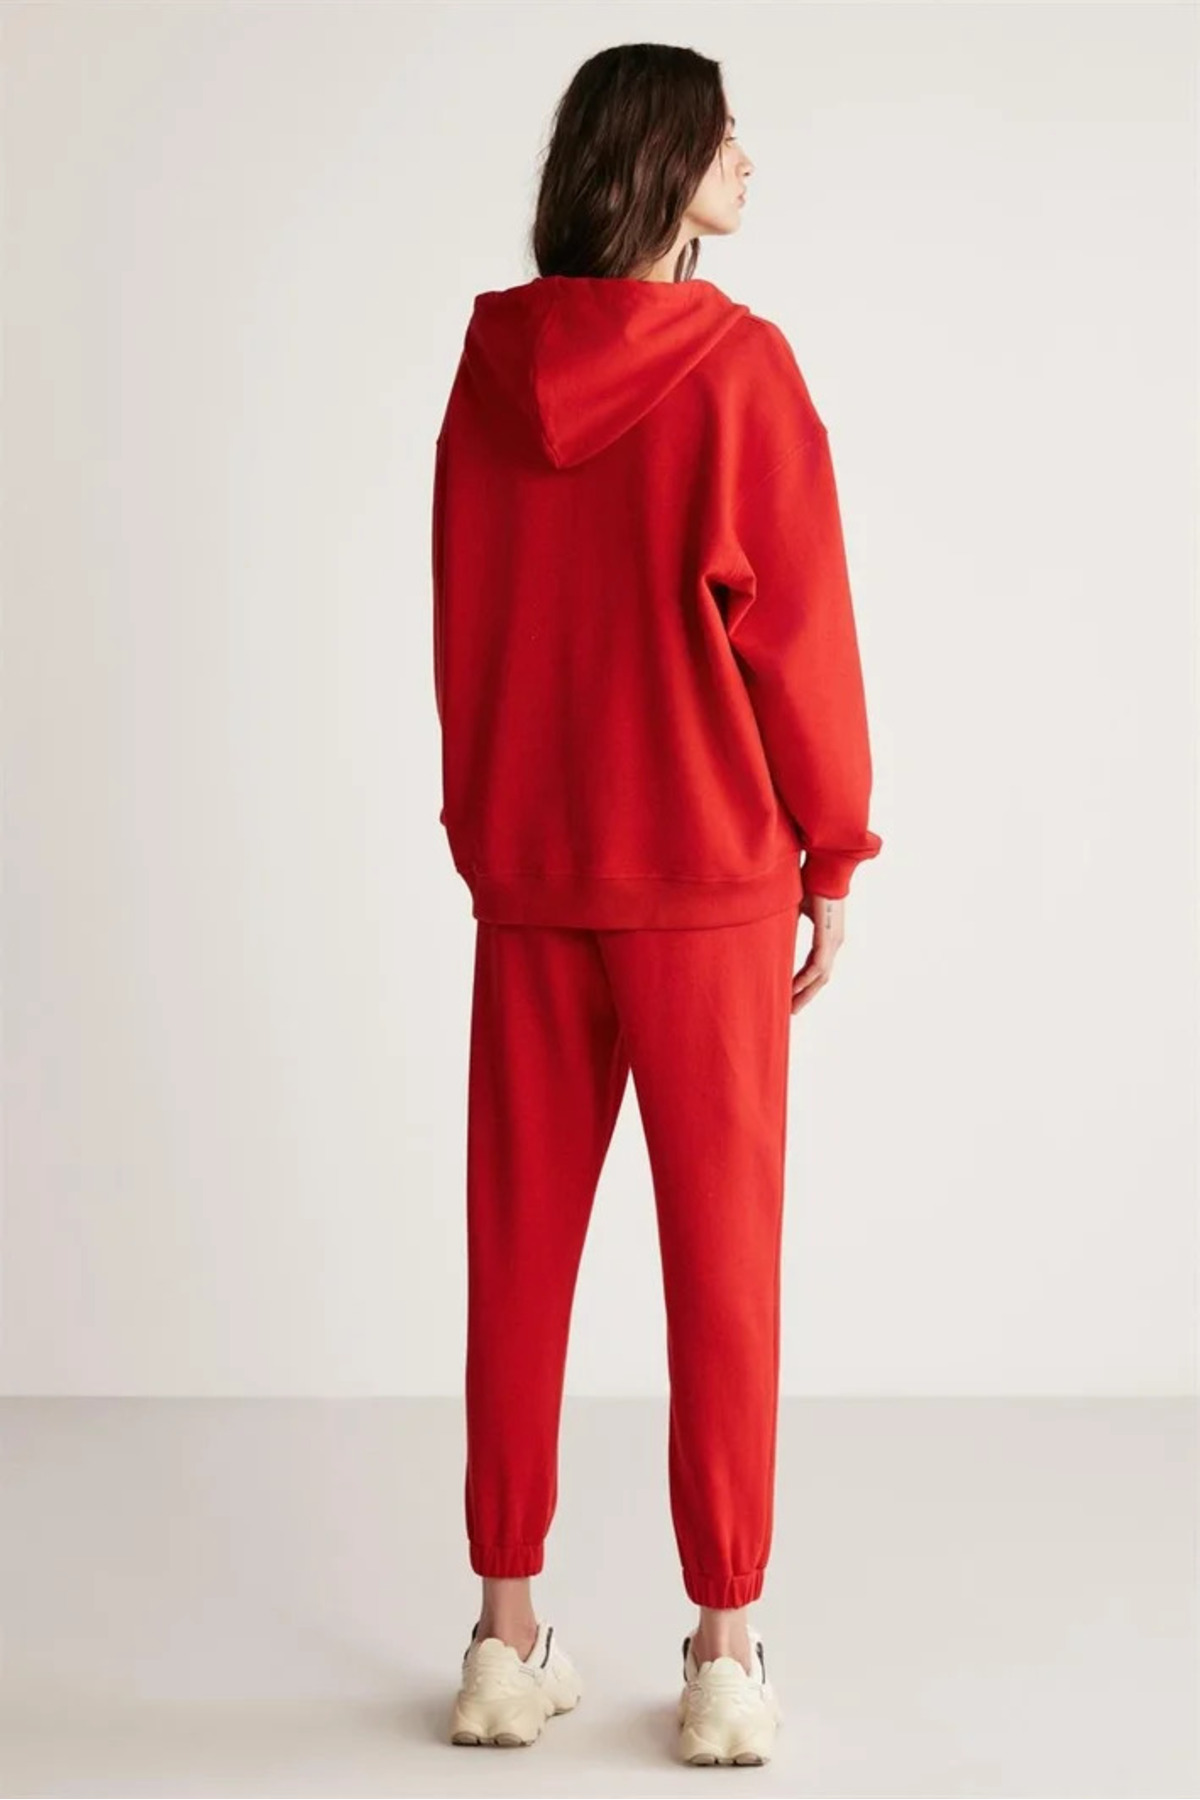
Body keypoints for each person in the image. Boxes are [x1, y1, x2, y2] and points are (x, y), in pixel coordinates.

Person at [432, 41, 883, 1767]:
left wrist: (490, 832)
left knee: (516, 1258)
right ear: (658, 158)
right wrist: (832, 855)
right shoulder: (740, 369)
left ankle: (503, 1639)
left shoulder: (491, 369)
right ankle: (723, 1655)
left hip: (535, 877)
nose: (748, 160)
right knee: (723, 1268)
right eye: (721, 135)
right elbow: (799, 629)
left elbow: (464, 604)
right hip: (707, 882)